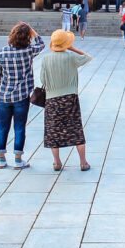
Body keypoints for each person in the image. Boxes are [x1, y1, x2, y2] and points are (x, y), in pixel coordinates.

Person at [0, 22, 45, 170]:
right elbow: (41, 44)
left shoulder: (1, 52)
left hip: (4, 96)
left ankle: (1, 159)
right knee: (19, 127)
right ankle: (18, 159)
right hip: (22, 97)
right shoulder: (28, 51)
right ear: (27, 37)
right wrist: (32, 31)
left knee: (2, 126)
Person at [40, 29, 92, 172]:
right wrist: (72, 48)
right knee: (75, 128)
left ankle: (57, 162)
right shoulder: (71, 57)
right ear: (66, 44)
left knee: (53, 129)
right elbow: (88, 57)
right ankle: (83, 162)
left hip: (52, 99)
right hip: (70, 98)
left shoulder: (45, 59)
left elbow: (42, 80)